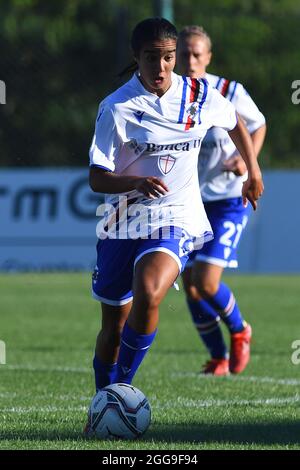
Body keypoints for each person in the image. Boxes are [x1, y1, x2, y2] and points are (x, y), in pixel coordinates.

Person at [87, 17, 264, 403]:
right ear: (136, 57)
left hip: (176, 217)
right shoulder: (116, 107)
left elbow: (236, 122)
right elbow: (97, 178)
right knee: (113, 330)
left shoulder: (199, 95)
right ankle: (103, 399)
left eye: (168, 58)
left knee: (150, 291)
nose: (162, 67)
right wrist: (134, 182)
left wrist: (253, 169)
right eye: (152, 58)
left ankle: (122, 389)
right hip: (122, 222)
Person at [176, 25, 266, 376]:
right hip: (188, 202)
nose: (191, 60)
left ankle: (241, 330)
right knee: (191, 288)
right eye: (184, 53)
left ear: (209, 57)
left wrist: (248, 160)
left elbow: (258, 124)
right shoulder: (169, 95)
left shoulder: (228, 91)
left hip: (229, 197)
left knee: (207, 281)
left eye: (197, 54)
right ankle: (218, 358)